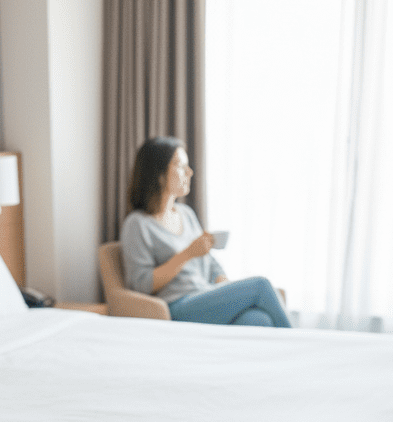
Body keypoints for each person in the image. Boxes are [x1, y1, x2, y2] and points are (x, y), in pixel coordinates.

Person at [119, 136, 291, 328]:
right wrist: (187, 254)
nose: (189, 172)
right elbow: (140, 284)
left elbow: (210, 262)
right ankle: (300, 346)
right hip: (176, 306)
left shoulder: (186, 215)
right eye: (180, 165)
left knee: (260, 320)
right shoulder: (137, 224)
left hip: (204, 296)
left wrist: (223, 282)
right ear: (158, 174)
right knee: (260, 286)